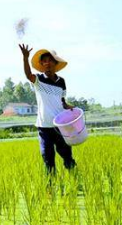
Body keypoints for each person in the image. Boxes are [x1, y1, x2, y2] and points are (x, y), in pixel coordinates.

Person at [19, 44, 76, 173]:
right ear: (41, 64)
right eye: (44, 61)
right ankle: (50, 189)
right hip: (44, 127)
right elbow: (28, 75)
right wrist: (25, 58)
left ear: (55, 63)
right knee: (48, 158)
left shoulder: (61, 82)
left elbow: (62, 101)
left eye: (50, 60)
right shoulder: (38, 80)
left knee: (67, 155)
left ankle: (75, 179)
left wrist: (70, 108)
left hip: (60, 126)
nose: (47, 63)